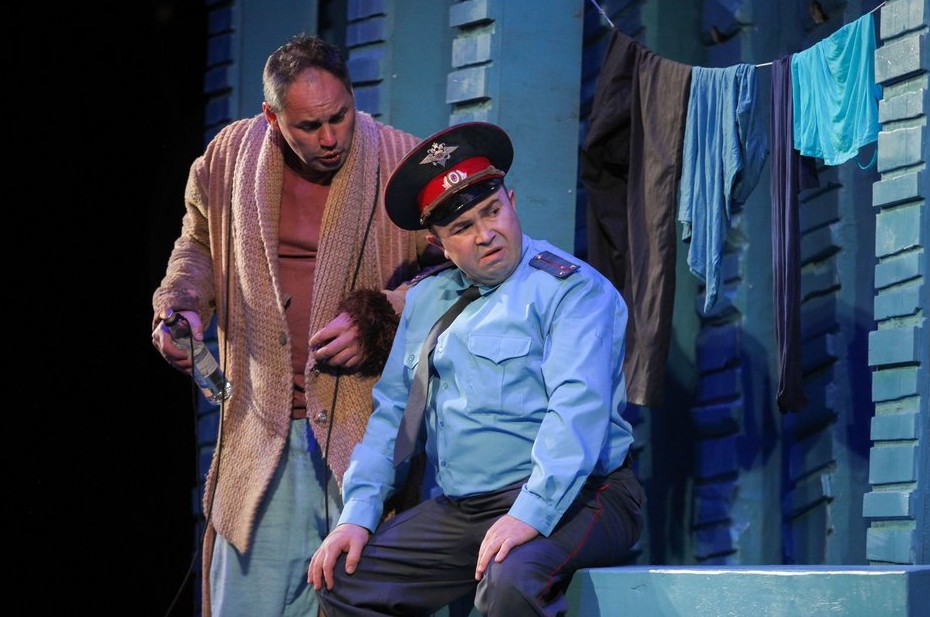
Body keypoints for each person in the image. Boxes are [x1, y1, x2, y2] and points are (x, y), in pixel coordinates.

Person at [151, 34, 442, 617]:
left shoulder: (401, 162)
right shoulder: (229, 157)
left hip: (369, 433)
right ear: (272, 116)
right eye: (310, 126)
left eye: (340, 116)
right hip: (264, 429)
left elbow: (454, 276)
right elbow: (198, 241)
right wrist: (183, 303)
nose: (330, 138)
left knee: (361, 598)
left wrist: (384, 315)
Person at [308, 122, 645, 616]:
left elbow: (576, 416)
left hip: (582, 495)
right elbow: (391, 418)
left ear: (512, 201)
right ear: (438, 242)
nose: (486, 234)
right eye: (462, 228)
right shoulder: (426, 300)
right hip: (468, 508)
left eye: (493, 211)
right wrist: (357, 515)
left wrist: (530, 513)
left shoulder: (571, 291)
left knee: (511, 580)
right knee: (341, 578)